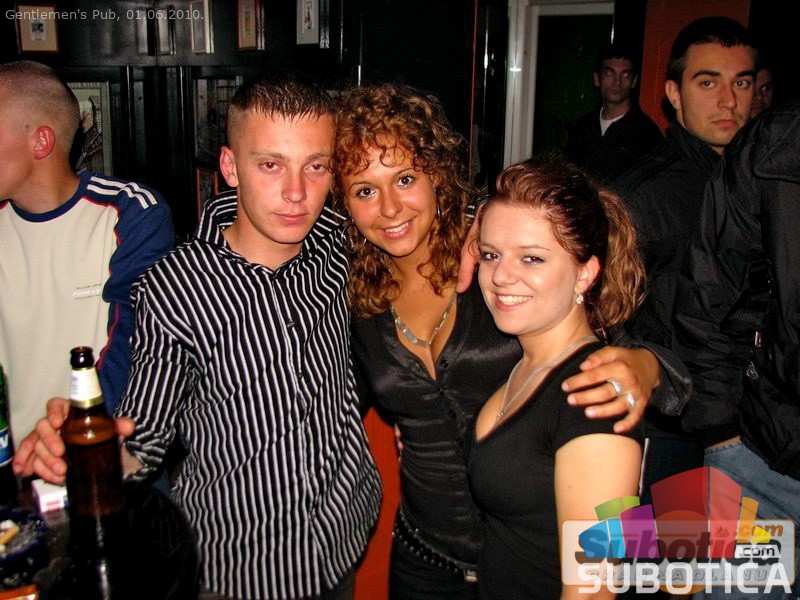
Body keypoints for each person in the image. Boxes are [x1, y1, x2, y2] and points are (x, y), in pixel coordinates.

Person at [15, 70, 382, 600]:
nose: (296, 192)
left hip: (342, 536)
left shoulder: (337, 243)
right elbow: (144, 436)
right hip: (240, 567)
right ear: (230, 167)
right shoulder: (175, 286)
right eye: (271, 164)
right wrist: (88, 454)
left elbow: (422, 222)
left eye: (316, 166)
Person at [332, 83, 688, 599]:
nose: (389, 208)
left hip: (531, 560)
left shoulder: (502, 267)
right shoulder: (353, 297)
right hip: (423, 558)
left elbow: (624, 349)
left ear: (436, 175)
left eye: (405, 178)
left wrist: (646, 365)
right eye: (364, 190)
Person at [466, 156, 644, 599]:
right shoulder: (523, 359)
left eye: (532, 258)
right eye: (491, 254)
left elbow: (594, 590)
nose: (501, 275)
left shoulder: (595, 400)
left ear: (585, 273)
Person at [612, 16, 757, 504]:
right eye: (708, 82)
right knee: (657, 551)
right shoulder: (644, 193)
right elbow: (599, 313)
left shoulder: (756, 180)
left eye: (741, 83)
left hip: (744, 425)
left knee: (719, 552)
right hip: (667, 431)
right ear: (674, 93)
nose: (728, 100)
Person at [0, 60, 173, 447]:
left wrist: (72, 437)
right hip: (12, 460)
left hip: (103, 450)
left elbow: (138, 341)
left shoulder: (129, 212)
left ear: (41, 142)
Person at [675, 102, 800, 599]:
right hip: (764, 453)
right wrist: (721, 433)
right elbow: (712, 290)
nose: (727, 99)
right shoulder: (775, 142)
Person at [565, 43, 663, 183]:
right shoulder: (582, 128)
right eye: (609, 74)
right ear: (597, 78)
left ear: (634, 81)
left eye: (625, 75)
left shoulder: (647, 134)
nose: (617, 82)